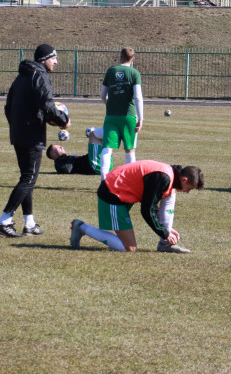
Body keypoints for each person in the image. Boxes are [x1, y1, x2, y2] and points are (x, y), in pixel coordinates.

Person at [0, 43, 69, 237]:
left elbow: (7, 107)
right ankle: (4, 220)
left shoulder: (21, 76)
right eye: (54, 58)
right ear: (44, 59)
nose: (56, 62)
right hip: (31, 136)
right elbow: (47, 105)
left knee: (27, 177)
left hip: (18, 134)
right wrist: (63, 120)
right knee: (28, 178)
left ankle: (29, 222)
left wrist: (16, 126)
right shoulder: (40, 75)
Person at [70, 160, 204, 253]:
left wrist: (166, 230)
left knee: (171, 193)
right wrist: (164, 232)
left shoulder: (170, 175)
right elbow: (147, 209)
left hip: (122, 194)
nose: (187, 192)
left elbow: (152, 206)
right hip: (112, 194)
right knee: (129, 248)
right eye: (189, 188)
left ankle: (164, 245)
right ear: (184, 179)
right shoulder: (163, 177)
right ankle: (81, 227)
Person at [99, 47, 144, 177]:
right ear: (133, 59)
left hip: (111, 116)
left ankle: (104, 180)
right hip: (129, 116)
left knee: (107, 148)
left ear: (120, 57)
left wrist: (108, 104)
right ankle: (128, 181)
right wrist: (141, 118)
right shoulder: (134, 73)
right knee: (130, 149)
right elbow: (138, 97)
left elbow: (102, 94)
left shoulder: (111, 71)